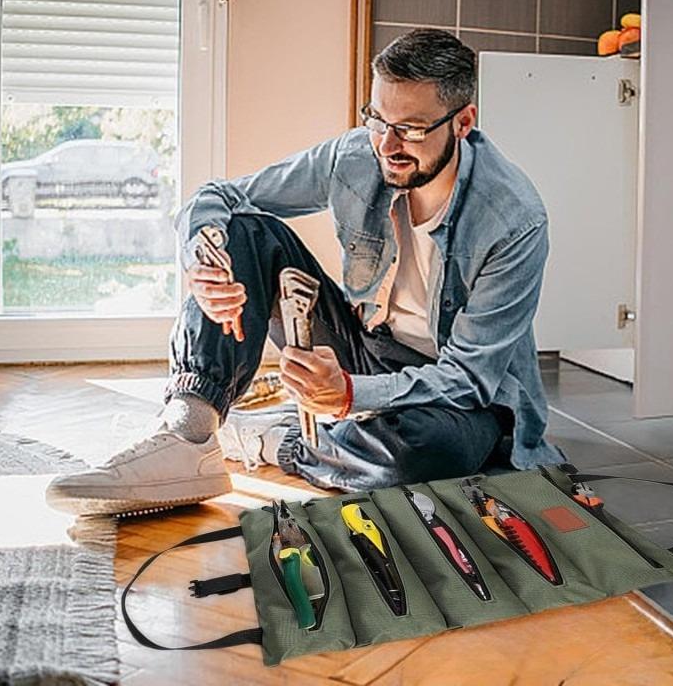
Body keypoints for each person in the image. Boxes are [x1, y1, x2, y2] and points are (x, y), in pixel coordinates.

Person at [46, 28, 564, 516]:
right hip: (366, 347)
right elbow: (220, 197)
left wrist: (349, 395)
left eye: (409, 129)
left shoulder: (514, 222)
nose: (386, 145)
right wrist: (201, 260)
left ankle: (270, 439)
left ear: (464, 121)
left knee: (432, 451)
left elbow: (469, 379)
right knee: (245, 232)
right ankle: (190, 431)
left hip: (454, 394)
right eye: (378, 120)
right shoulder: (356, 156)